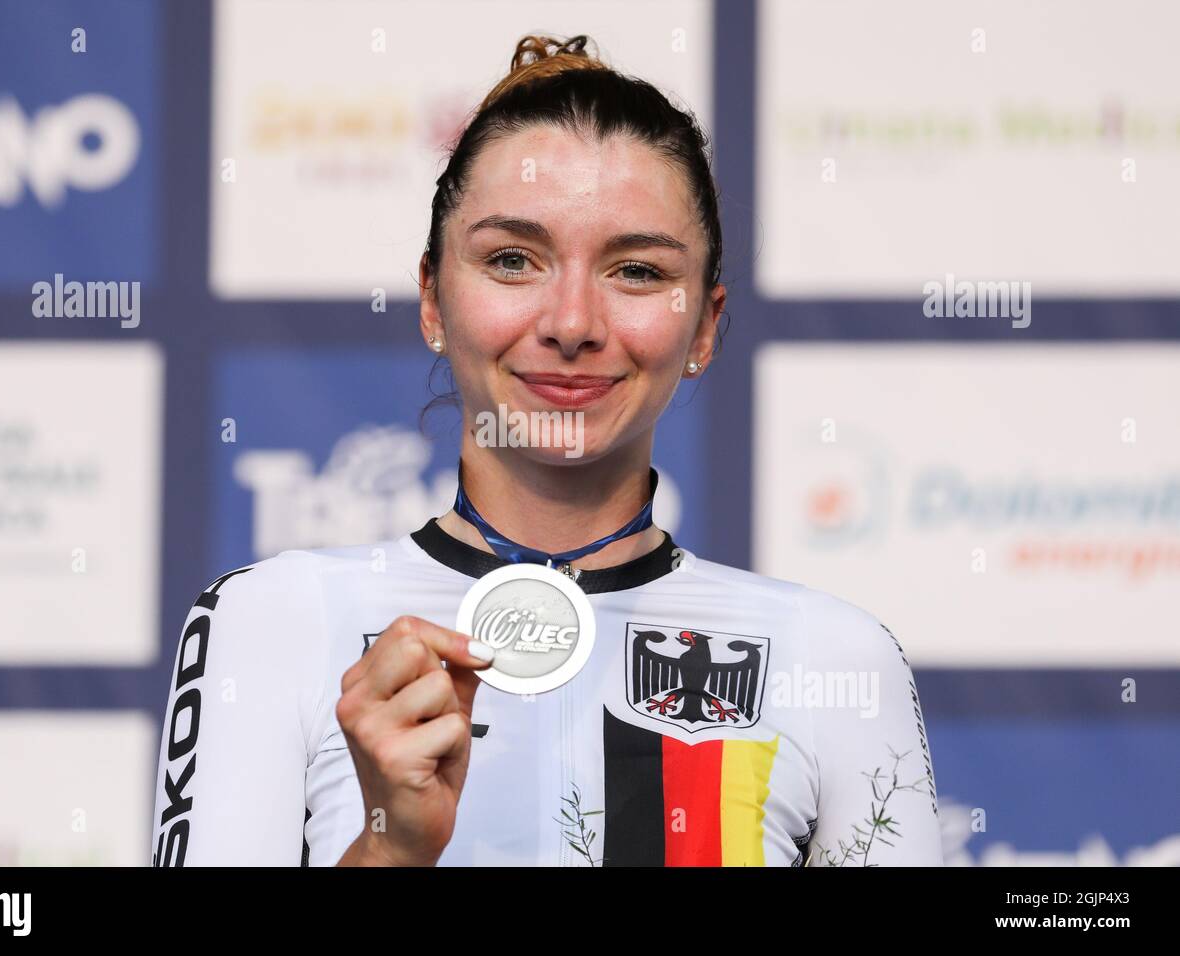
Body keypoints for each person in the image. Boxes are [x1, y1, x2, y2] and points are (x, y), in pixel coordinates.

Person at [151, 33, 943, 867]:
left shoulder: (836, 659)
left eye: (635, 271)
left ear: (705, 326)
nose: (571, 323)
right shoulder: (272, 620)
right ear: (432, 299)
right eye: (513, 260)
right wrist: (390, 848)